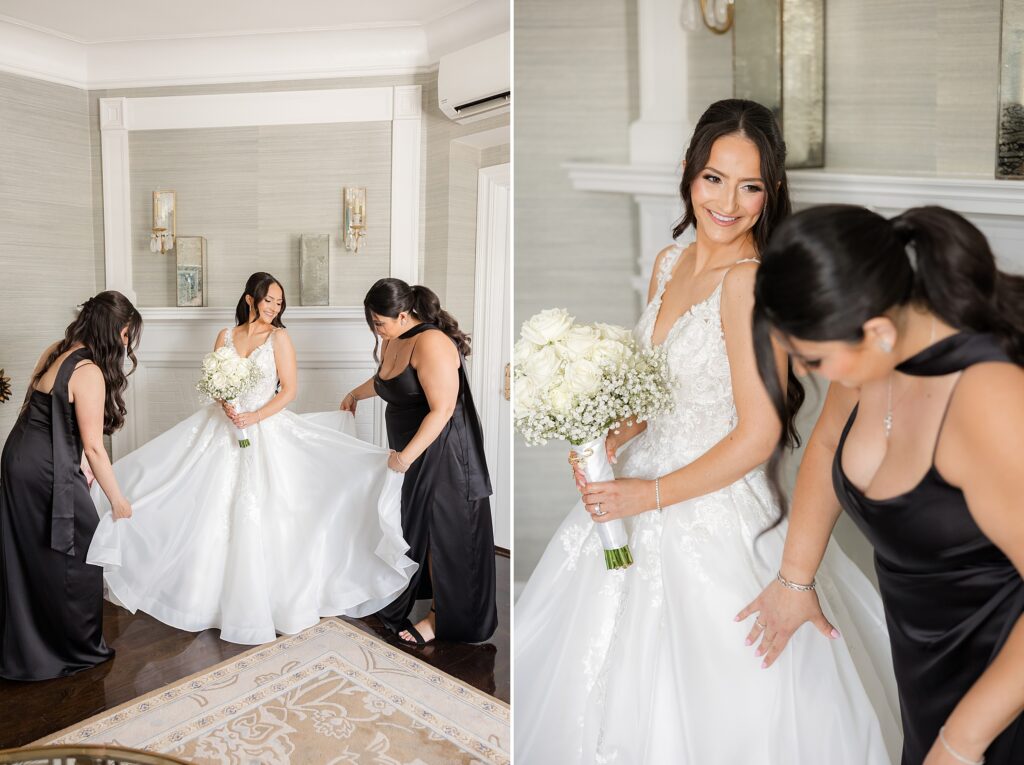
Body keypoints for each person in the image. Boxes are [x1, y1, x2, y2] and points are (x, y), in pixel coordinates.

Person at [514, 100, 902, 763]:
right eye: (714, 179)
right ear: (690, 174)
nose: (728, 201)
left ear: (772, 191)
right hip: (637, 486)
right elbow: (653, 387)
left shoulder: (751, 282)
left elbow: (759, 433)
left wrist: (648, 494)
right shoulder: (669, 263)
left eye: (750, 185)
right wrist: (606, 441)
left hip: (710, 508)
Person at [742, 204, 1024, 765]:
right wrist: (794, 579)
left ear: (875, 330)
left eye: (812, 358)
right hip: (929, 681)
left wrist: (961, 742)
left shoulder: (988, 399)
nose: (805, 374)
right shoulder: (875, 355)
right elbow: (827, 446)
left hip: (1000, 696)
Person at [86, 272, 416, 645]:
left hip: (264, 428)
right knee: (191, 497)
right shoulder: (224, 337)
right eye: (269, 300)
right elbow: (215, 383)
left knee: (266, 510)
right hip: (221, 428)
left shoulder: (280, 338)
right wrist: (224, 401)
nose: (274, 308)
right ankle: (203, 596)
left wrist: (253, 417)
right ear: (249, 299)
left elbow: (289, 391)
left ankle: (267, 600)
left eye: (279, 302)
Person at [342, 278, 496, 645]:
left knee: (445, 534)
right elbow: (386, 381)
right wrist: (355, 394)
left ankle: (440, 619)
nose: (377, 331)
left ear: (404, 313)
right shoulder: (395, 340)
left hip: (443, 453)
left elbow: (442, 410)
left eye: (380, 322)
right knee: (417, 529)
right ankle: (411, 597)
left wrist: (406, 457)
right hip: (412, 452)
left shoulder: (432, 342)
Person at [1, 291, 141, 680]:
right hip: (45, 467)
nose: (127, 344)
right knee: (78, 553)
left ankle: (29, 647)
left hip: (18, 456)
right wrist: (118, 500)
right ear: (118, 330)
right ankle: (75, 648)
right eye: (128, 335)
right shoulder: (90, 372)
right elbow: (95, 446)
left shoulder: (55, 350)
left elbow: (45, 410)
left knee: (29, 553)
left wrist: (74, 456)